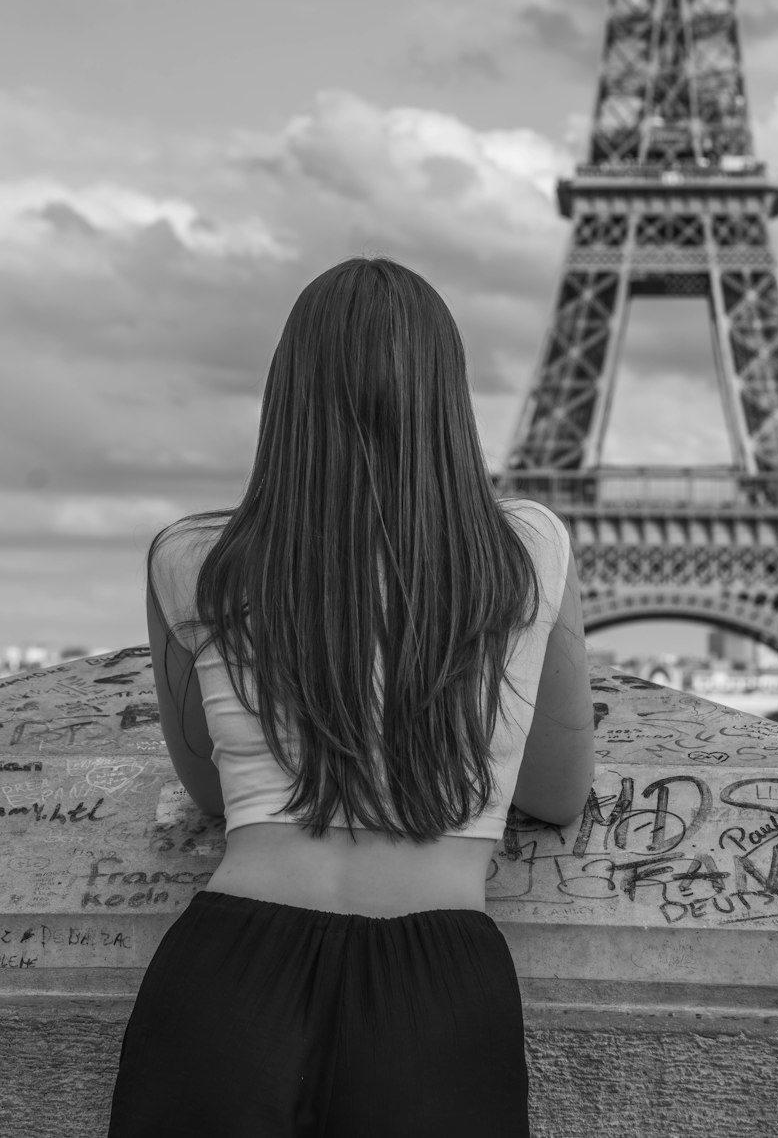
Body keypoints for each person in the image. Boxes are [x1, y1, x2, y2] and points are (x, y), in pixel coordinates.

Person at [107, 257, 595, 1138]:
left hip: (227, 977)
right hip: (435, 987)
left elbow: (218, 791)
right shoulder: (525, 550)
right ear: (449, 398)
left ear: (286, 395)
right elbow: (557, 794)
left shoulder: (193, 560)